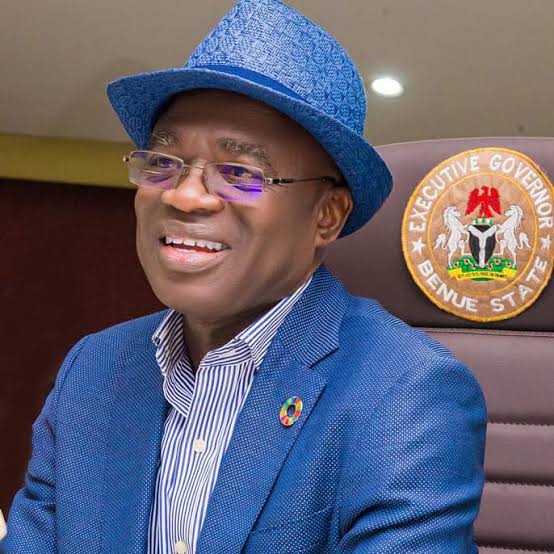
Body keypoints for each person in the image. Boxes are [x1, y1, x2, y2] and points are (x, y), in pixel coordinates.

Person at [0, 0, 487, 552]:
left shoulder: (407, 394)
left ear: (327, 216)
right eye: (162, 163)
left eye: (239, 172)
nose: (184, 196)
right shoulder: (93, 370)